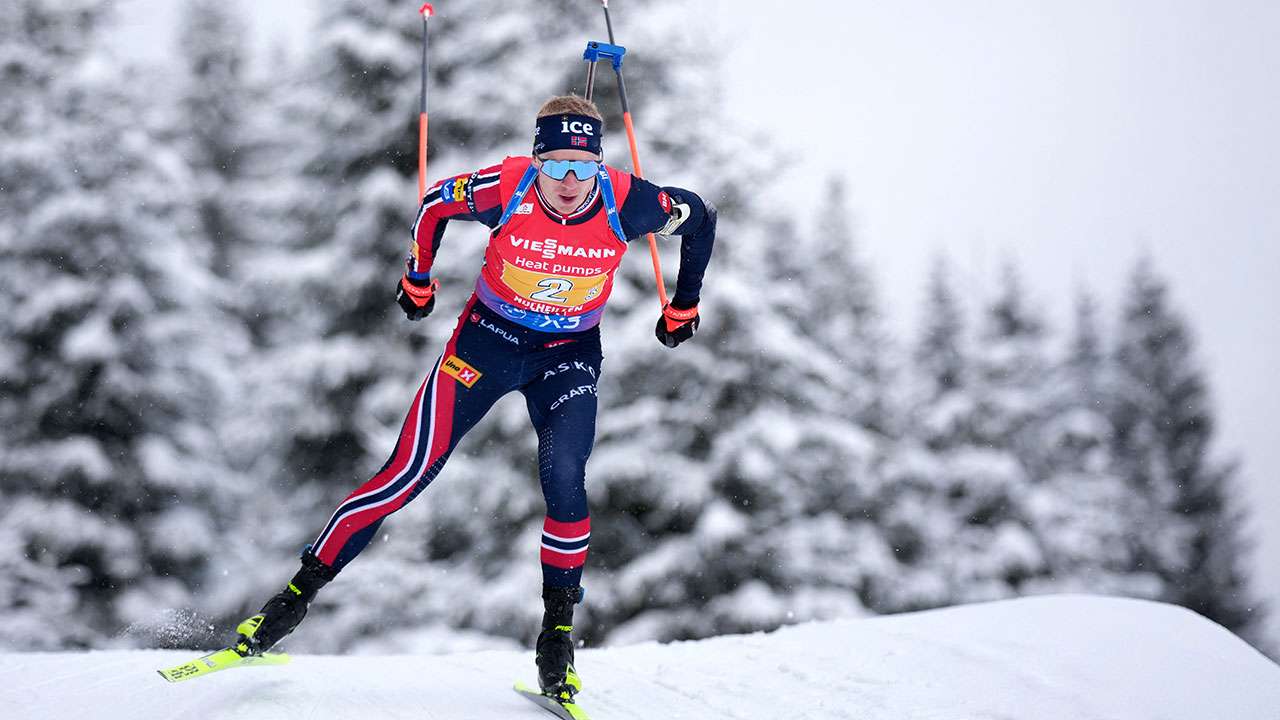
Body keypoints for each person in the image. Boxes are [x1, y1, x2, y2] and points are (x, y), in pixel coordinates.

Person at [230, 95, 717, 700]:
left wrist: (685, 304)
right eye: (555, 166)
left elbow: (701, 219)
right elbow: (435, 204)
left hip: (565, 358)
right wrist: (418, 276)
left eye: (583, 167)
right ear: (536, 162)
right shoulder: (507, 187)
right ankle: (289, 603)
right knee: (406, 474)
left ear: (600, 166)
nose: (568, 182)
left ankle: (557, 639)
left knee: (566, 478)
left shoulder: (630, 200)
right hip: (485, 345)